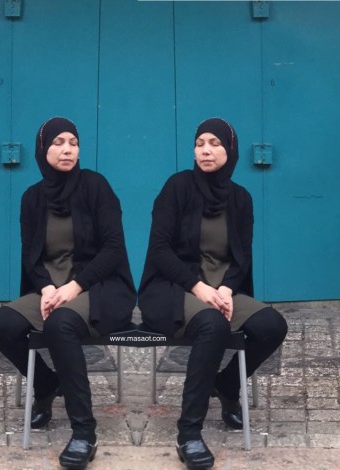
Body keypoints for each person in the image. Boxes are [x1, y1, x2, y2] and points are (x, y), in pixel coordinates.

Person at [0, 117, 136, 469]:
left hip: (98, 287)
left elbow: (113, 249)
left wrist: (73, 287)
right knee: (1, 325)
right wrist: (46, 287)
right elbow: (31, 255)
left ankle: (84, 431)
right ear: (43, 149)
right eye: (58, 143)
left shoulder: (96, 187)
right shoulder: (32, 197)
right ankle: (46, 383)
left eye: (73, 142)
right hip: (51, 287)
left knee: (60, 325)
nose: (67, 149)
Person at [138, 118, 287, 469]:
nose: (206, 150)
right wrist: (200, 288)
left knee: (272, 326)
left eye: (215, 144)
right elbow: (159, 250)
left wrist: (226, 289)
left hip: (221, 289)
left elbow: (242, 257)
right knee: (213, 325)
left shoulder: (241, 198)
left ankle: (227, 385)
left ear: (230, 150)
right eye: (200, 143)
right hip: (174, 288)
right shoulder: (176, 187)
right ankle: (189, 432)